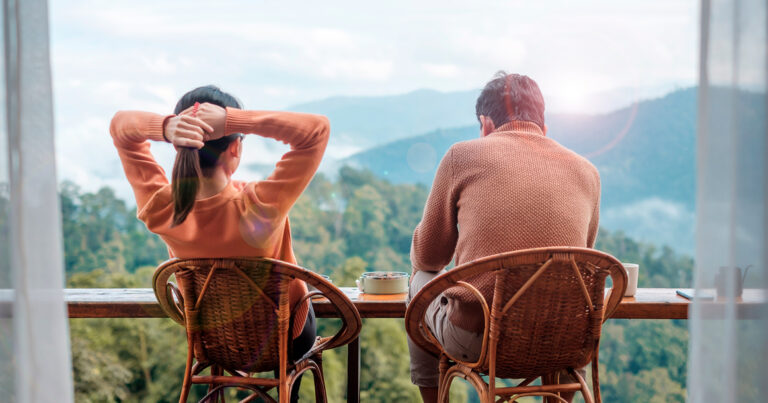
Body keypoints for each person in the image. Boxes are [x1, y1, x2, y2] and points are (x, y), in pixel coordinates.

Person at [110, 85, 329, 402]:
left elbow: (120, 126)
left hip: (211, 342)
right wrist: (235, 120)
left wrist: (167, 127)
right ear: (235, 148)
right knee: (306, 311)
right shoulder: (260, 205)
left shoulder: (161, 207)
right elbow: (317, 130)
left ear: (179, 145)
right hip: (284, 340)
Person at [406, 72, 601, 403]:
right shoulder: (588, 172)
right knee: (573, 306)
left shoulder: (461, 156)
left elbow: (429, 258)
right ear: (544, 128)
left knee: (420, 281)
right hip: (563, 342)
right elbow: (580, 265)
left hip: (481, 342)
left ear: (486, 125)